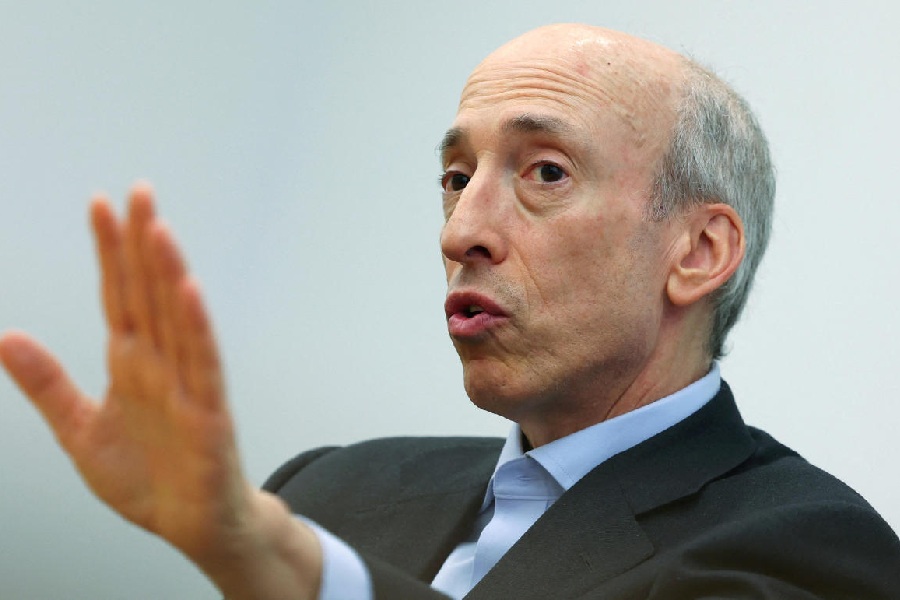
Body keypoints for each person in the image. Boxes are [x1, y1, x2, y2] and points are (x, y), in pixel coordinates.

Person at [1, 22, 898, 600]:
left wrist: (290, 569)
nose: (462, 229)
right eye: (456, 178)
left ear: (698, 253)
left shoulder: (813, 552)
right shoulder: (323, 490)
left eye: (545, 172)